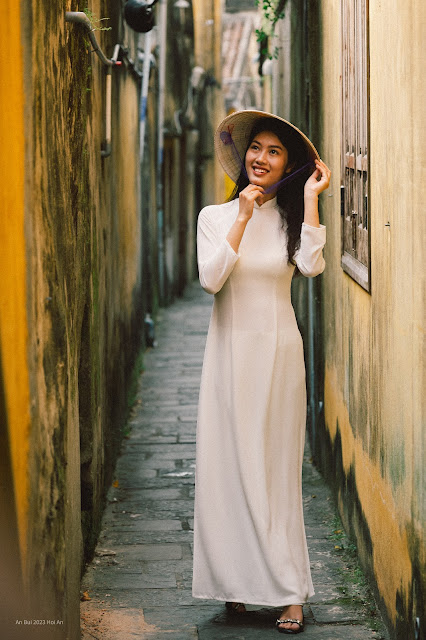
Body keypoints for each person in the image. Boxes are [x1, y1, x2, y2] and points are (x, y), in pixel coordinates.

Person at [192, 110, 331, 635]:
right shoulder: (213, 216)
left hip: (276, 356)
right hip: (227, 355)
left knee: (274, 470)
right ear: (243, 155)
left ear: (286, 165)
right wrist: (242, 215)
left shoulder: (293, 219)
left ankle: (290, 591)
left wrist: (312, 200)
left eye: (275, 152)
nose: (261, 158)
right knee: (226, 466)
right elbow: (211, 280)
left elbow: (313, 266)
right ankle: (235, 581)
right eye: (257, 149)